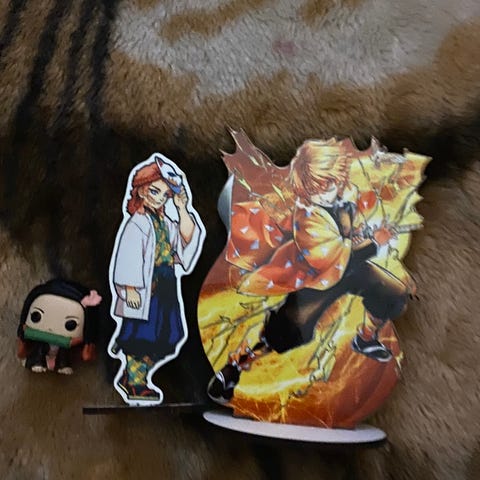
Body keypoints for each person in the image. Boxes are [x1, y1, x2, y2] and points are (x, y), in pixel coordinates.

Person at [208, 140, 409, 403]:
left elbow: (349, 235)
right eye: (319, 186)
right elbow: (331, 258)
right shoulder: (307, 218)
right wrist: (373, 243)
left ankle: (367, 337)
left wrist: (366, 234)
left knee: (393, 292)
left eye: (331, 183)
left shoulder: (343, 201)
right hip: (315, 280)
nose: (328, 191)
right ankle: (236, 366)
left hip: (348, 269)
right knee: (287, 332)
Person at [110, 155, 203, 403]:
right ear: (141, 190)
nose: (160, 198)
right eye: (154, 191)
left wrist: (182, 208)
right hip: (145, 287)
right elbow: (128, 256)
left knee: (168, 336)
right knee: (143, 335)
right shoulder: (137, 223)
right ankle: (135, 381)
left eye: (165, 194)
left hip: (166, 285)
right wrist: (129, 288)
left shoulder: (164, 222)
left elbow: (186, 239)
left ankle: (133, 375)